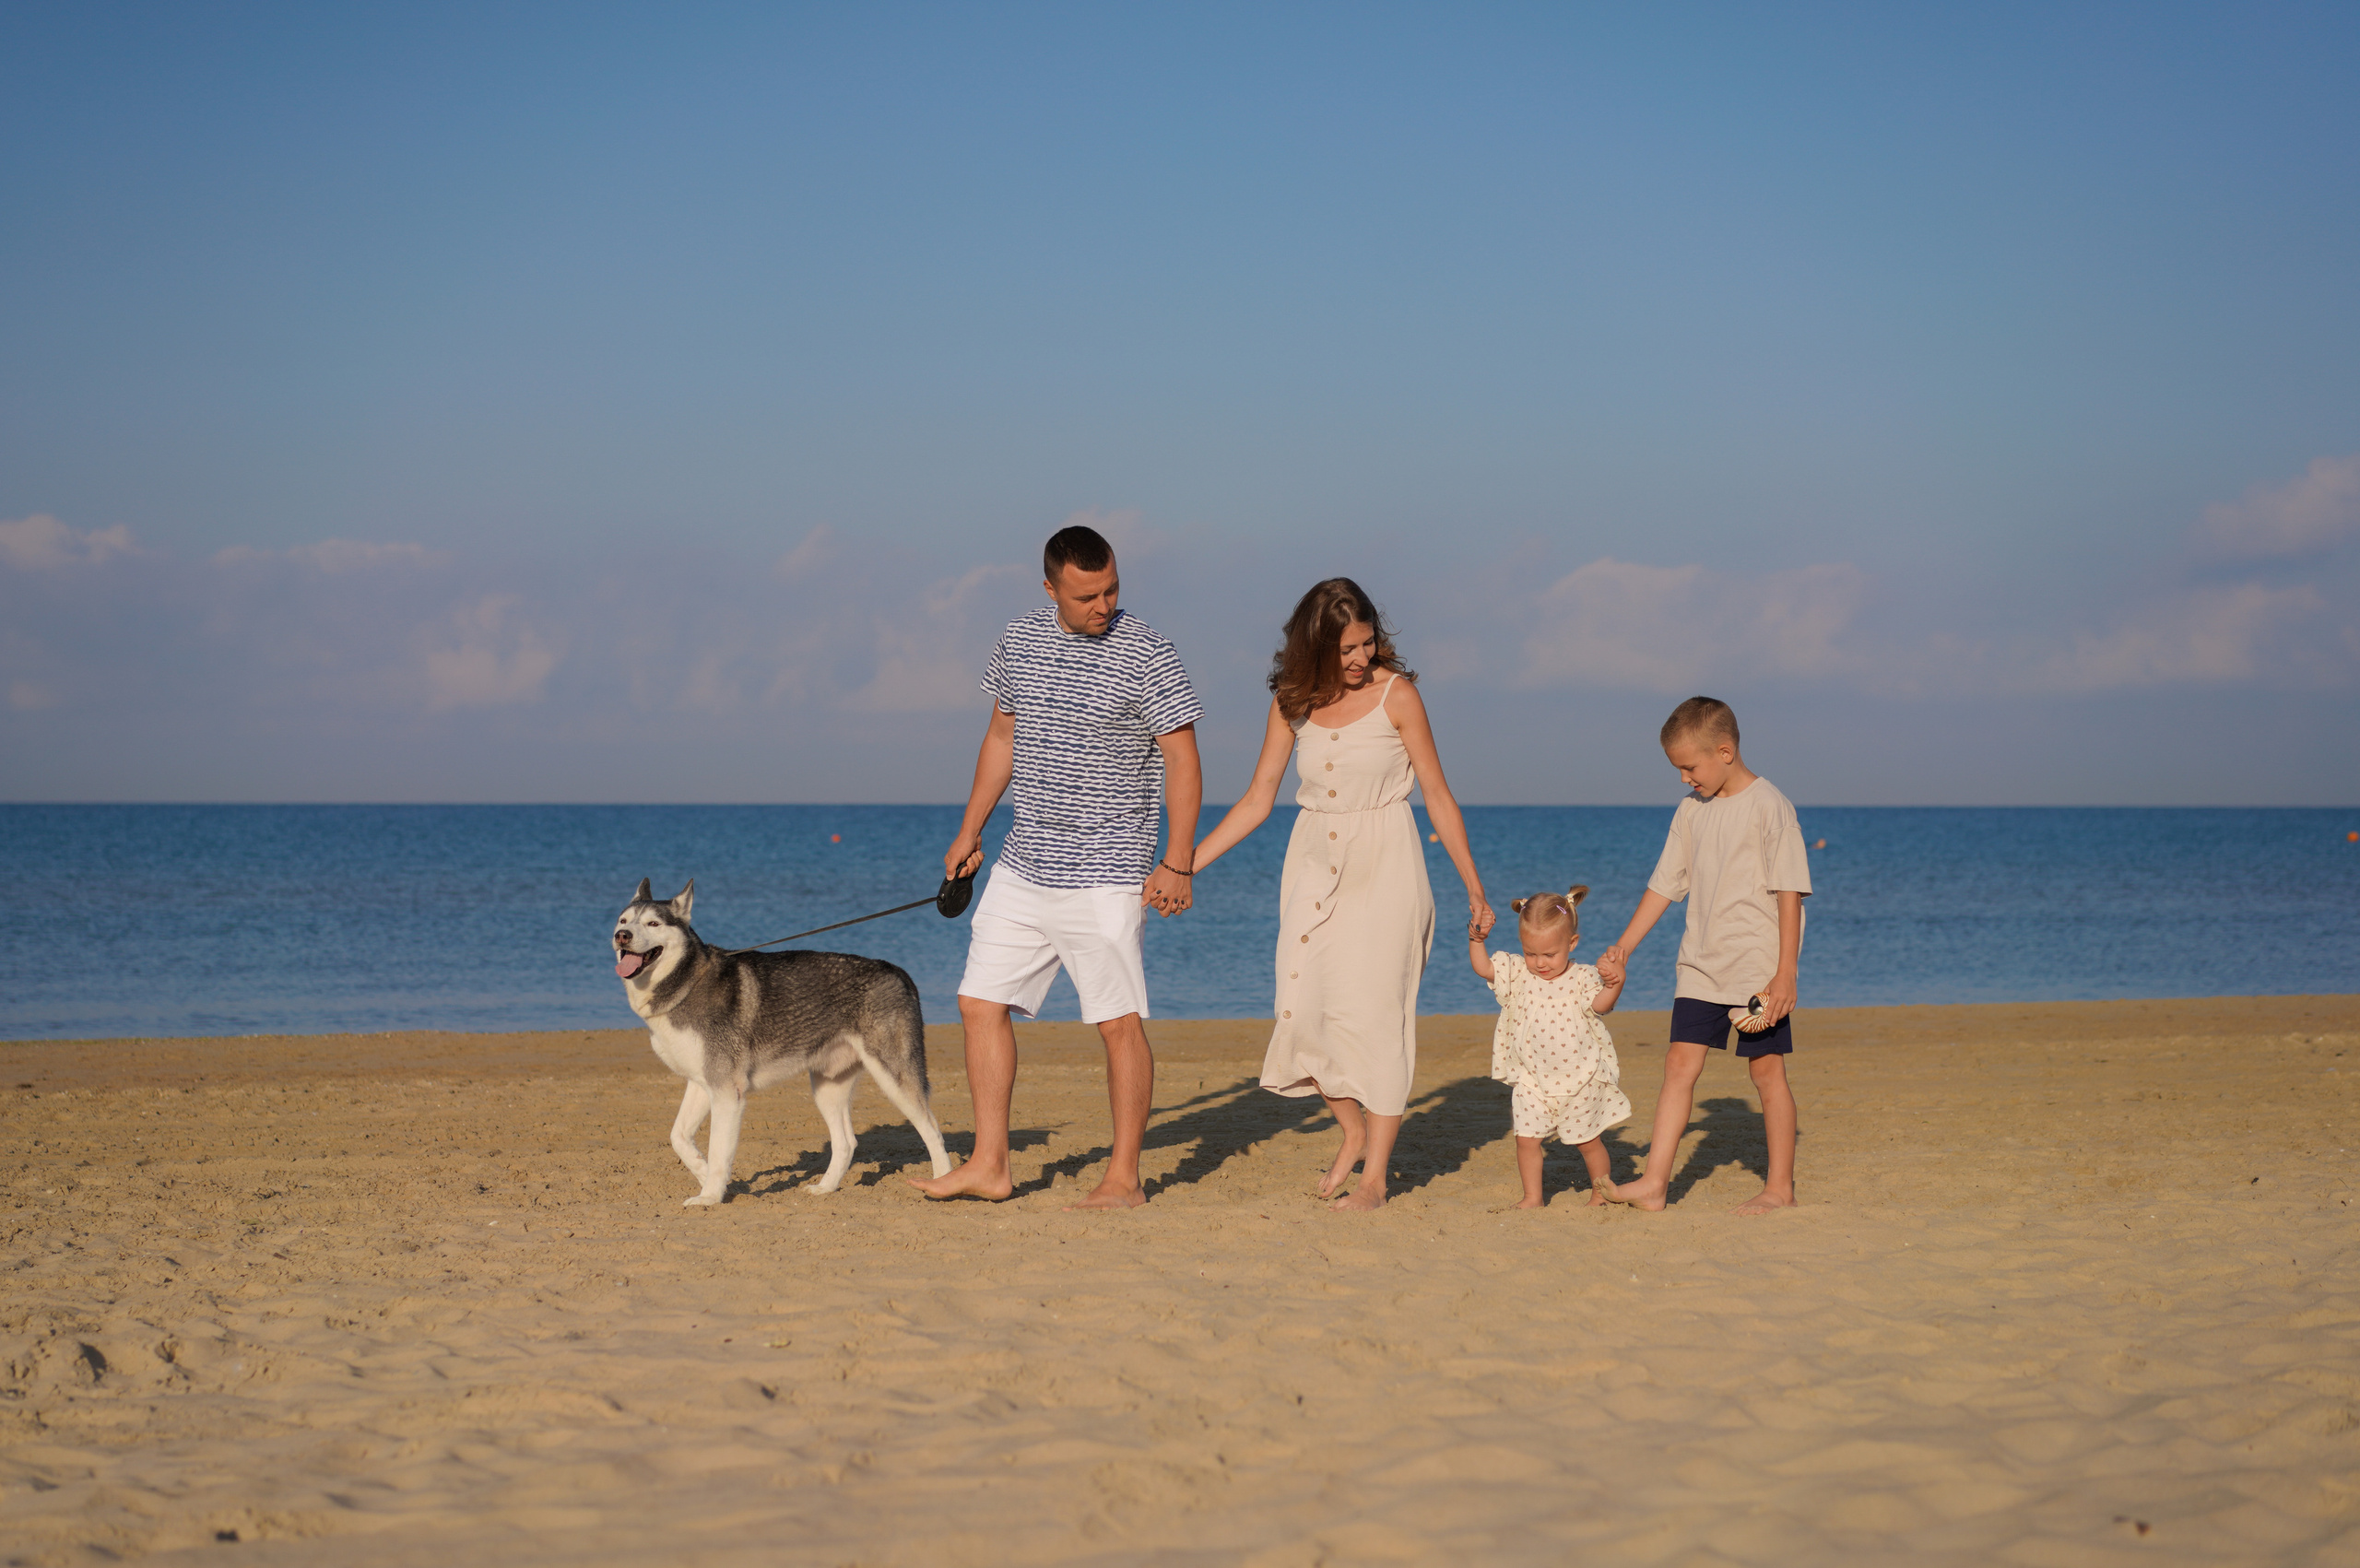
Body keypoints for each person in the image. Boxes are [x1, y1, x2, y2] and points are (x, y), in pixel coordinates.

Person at [912, 525, 1203, 1209]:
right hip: (1023, 863)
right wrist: (969, 829)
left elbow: (1183, 760)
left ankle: (1124, 1178)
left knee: (1117, 1022)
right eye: (1086, 596)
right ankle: (990, 1164)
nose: (1104, 605)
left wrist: (1178, 861)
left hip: (1107, 869)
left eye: (1112, 590)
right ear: (1050, 589)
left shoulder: (1149, 652)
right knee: (979, 1002)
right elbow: (1001, 737)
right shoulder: (1019, 639)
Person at [1190, 578, 1492, 1210]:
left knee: (1379, 1018)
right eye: (1346, 648)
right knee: (1301, 1006)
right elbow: (1257, 799)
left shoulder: (1397, 695)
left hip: (1387, 866)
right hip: (1313, 865)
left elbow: (1437, 794)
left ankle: (1375, 1178)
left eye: (1367, 642)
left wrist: (1473, 886)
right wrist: (1184, 864)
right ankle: (1353, 1131)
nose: (1360, 657)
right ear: (1315, 646)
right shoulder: (1291, 702)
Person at [1599, 696, 1811, 1215]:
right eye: (1678, 769)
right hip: (1699, 964)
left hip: (1757, 970)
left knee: (1766, 1073)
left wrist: (1785, 974)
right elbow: (1664, 885)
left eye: (1690, 767)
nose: (1684, 778)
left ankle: (1780, 1189)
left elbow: (1790, 894)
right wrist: (1624, 947)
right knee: (1678, 1064)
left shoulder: (1770, 807)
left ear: (1725, 752)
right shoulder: (1691, 811)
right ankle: (1655, 1183)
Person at [1470, 885, 1632, 1208]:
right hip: (1532, 1079)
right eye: (1531, 953)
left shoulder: (1583, 978)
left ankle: (1600, 1194)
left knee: (1588, 1142)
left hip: (1579, 1078)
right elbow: (1484, 968)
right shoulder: (1519, 973)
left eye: (1549, 955)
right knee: (1526, 1140)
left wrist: (1615, 983)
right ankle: (1533, 1197)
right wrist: (1477, 940)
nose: (1540, 963)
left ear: (1572, 943)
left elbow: (1601, 1006)